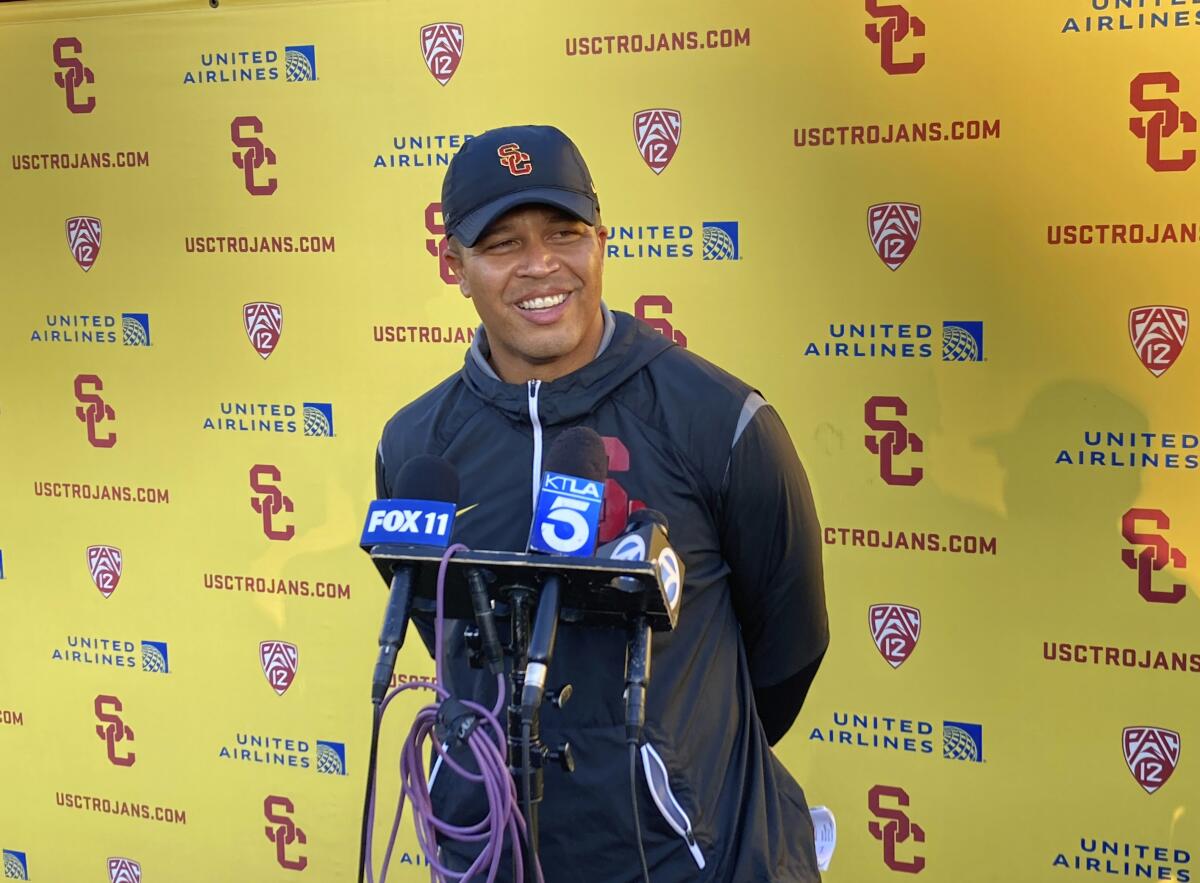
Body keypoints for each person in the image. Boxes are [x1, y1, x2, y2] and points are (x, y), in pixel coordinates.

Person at [375, 124, 828, 882]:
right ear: (453, 263)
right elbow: (442, 628)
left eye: (564, 232)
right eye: (503, 243)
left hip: (697, 861)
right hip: (493, 860)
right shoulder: (416, 444)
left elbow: (788, 654)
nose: (541, 265)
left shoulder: (719, 420)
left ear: (602, 241)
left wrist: (664, 769)